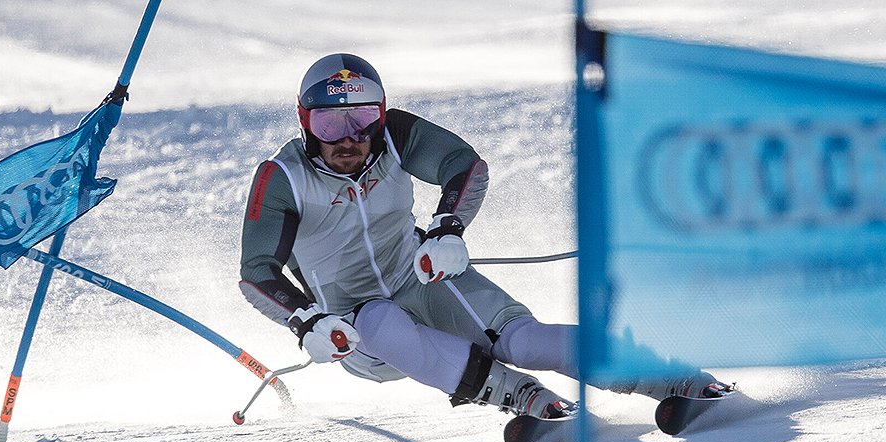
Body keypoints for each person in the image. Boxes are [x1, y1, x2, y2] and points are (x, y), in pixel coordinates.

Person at [238, 53, 732, 422]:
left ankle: (668, 375)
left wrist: (447, 228)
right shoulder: (283, 177)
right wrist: (306, 322)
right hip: (355, 329)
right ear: (305, 122)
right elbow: (257, 271)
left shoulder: (394, 137)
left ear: (381, 116)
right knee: (379, 316)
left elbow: (464, 165)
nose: (348, 138)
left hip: (419, 278)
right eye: (329, 122)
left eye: (363, 118)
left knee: (524, 340)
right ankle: (515, 393)